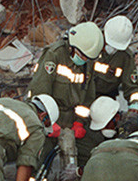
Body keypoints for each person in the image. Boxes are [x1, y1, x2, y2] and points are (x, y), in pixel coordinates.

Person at [28, 22, 104, 169]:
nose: (84, 60)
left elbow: (88, 97)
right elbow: (39, 92)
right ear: (72, 47)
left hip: (72, 120)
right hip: (49, 119)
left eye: (87, 58)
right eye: (82, 56)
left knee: (91, 152)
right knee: (37, 156)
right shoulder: (54, 55)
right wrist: (49, 123)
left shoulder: (87, 62)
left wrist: (80, 122)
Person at [91, 16, 138, 112]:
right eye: (109, 44)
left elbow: (132, 87)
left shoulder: (124, 57)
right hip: (80, 95)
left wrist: (135, 104)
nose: (112, 48)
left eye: (116, 47)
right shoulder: (90, 43)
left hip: (104, 102)